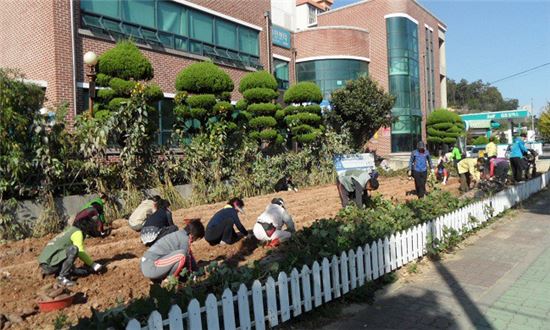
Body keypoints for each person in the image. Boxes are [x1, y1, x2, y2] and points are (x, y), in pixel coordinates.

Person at [38, 216, 106, 287]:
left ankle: (71, 270)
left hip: (46, 263)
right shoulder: (78, 232)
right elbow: (80, 251)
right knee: (73, 249)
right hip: (50, 265)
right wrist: (92, 264)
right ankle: (62, 277)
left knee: (68, 250)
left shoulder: (70, 230)